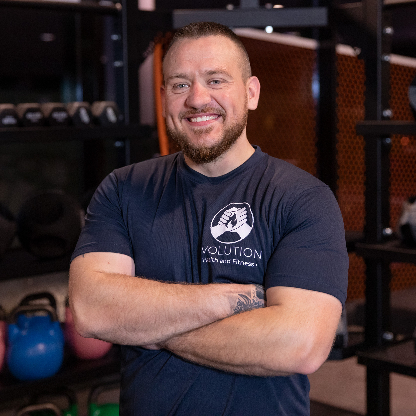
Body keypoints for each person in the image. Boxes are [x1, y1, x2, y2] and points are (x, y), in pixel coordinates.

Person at [69, 22, 348, 416]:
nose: (197, 99)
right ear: (163, 98)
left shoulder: (303, 198)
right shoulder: (124, 189)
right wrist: (231, 299)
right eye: (180, 84)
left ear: (251, 93)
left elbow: (299, 345)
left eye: (215, 80)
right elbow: (91, 310)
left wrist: (150, 327)